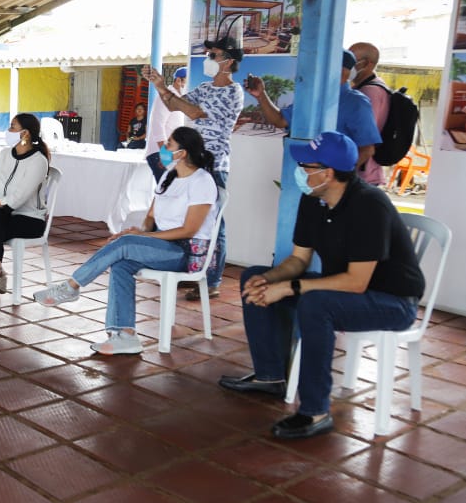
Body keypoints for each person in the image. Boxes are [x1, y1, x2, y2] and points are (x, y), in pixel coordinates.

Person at [219, 131, 424, 440]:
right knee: (254, 277)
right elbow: (298, 260)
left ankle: (315, 411)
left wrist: (290, 288)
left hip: (391, 301)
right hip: (341, 289)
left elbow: (357, 283)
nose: (299, 172)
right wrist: (270, 281)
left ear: (327, 173)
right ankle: (270, 376)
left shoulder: (369, 205)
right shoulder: (314, 200)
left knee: (316, 305)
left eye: (305, 166)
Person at [32, 127, 219, 355]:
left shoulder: (202, 181)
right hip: (162, 246)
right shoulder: (169, 177)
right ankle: (126, 336)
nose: (163, 148)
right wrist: (138, 230)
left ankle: (72, 286)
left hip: (186, 253)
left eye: (169, 144)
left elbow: (189, 230)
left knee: (127, 243)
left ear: (183, 152)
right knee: (121, 264)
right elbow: (151, 217)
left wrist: (141, 237)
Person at [144, 36, 244, 300]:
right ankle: (191, 270)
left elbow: (194, 111)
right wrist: (159, 84)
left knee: (214, 224)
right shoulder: (204, 87)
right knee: (184, 218)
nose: (208, 60)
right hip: (192, 164)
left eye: (213, 55)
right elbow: (173, 104)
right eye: (208, 54)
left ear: (228, 61)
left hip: (215, 164)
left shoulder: (233, 92)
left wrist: (169, 92)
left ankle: (211, 280)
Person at [243, 48, 381, 178]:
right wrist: (261, 95)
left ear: (341, 71)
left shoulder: (356, 103)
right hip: (307, 175)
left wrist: (339, 177)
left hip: (331, 182)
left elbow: (367, 149)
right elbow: (280, 120)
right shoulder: (311, 97)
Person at [0, 114, 50, 297]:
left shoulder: (39, 161)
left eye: (12, 127)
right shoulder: (4, 154)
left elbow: (16, 199)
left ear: (26, 134)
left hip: (30, 220)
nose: (8, 131)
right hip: (4, 216)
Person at [348, 41, 389, 186]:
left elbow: (366, 144)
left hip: (362, 174)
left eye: (353, 60)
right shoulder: (371, 87)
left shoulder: (369, 92)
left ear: (368, 64)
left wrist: (345, 171)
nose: (348, 65)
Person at [144, 67, 187, 180]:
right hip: (159, 153)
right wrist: (165, 155)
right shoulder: (167, 97)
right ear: (179, 80)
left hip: (170, 153)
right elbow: (157, 125)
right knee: (167, 191)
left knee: (166, 192)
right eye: (187, 80)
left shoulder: (179, 99)